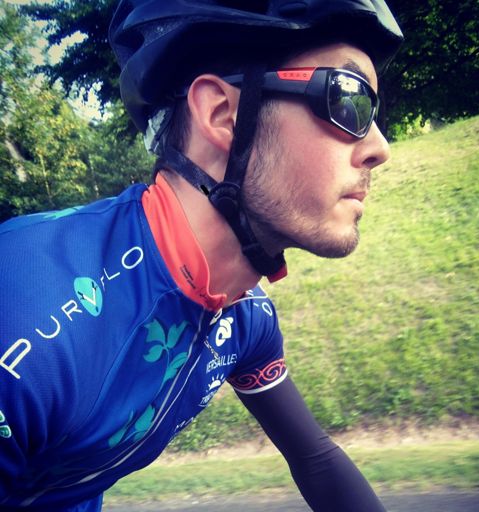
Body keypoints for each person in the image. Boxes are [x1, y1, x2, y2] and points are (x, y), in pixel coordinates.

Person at [0, 1, 403, 510]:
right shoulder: (25, 317)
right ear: (222, 115)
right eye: (347, 99)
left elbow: (315, 457)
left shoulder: (244, 318)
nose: (380, 147)